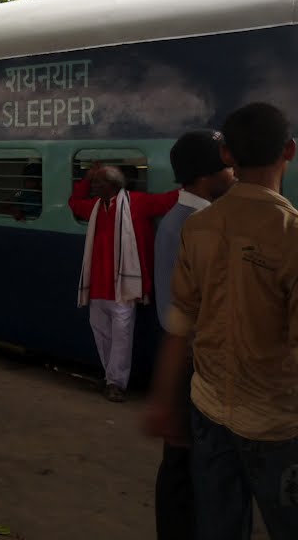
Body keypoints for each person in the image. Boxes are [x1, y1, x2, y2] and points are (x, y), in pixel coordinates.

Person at [146, 103, 298, 540]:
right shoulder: (290, 233)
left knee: (219, 527)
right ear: (289, 150)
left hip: (209, 412)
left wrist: (164, 399)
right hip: (276, 422)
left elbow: (179, 325)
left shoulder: (199, 228)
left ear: (228, 155)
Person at [149, 130, 235, 540]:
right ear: (204, 176)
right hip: (190, 361)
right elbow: (180, 315)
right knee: (183, 468)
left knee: (184, 465)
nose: (233, 173)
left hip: (189, 359)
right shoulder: (194, 225)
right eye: (226, 166)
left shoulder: (182, 220)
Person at [69, 164, 178, 402]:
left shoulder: (137, 203)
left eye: (98, 182)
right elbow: (74, 203)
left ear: (114, 185)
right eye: (94, 183)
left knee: (121, 336)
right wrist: (85, 180)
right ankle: (111, 377)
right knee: (101, 334)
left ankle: (115, 383)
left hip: (122, 287)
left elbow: (169, 200)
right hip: (98, 285)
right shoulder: (96, 207)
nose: (94, 187)